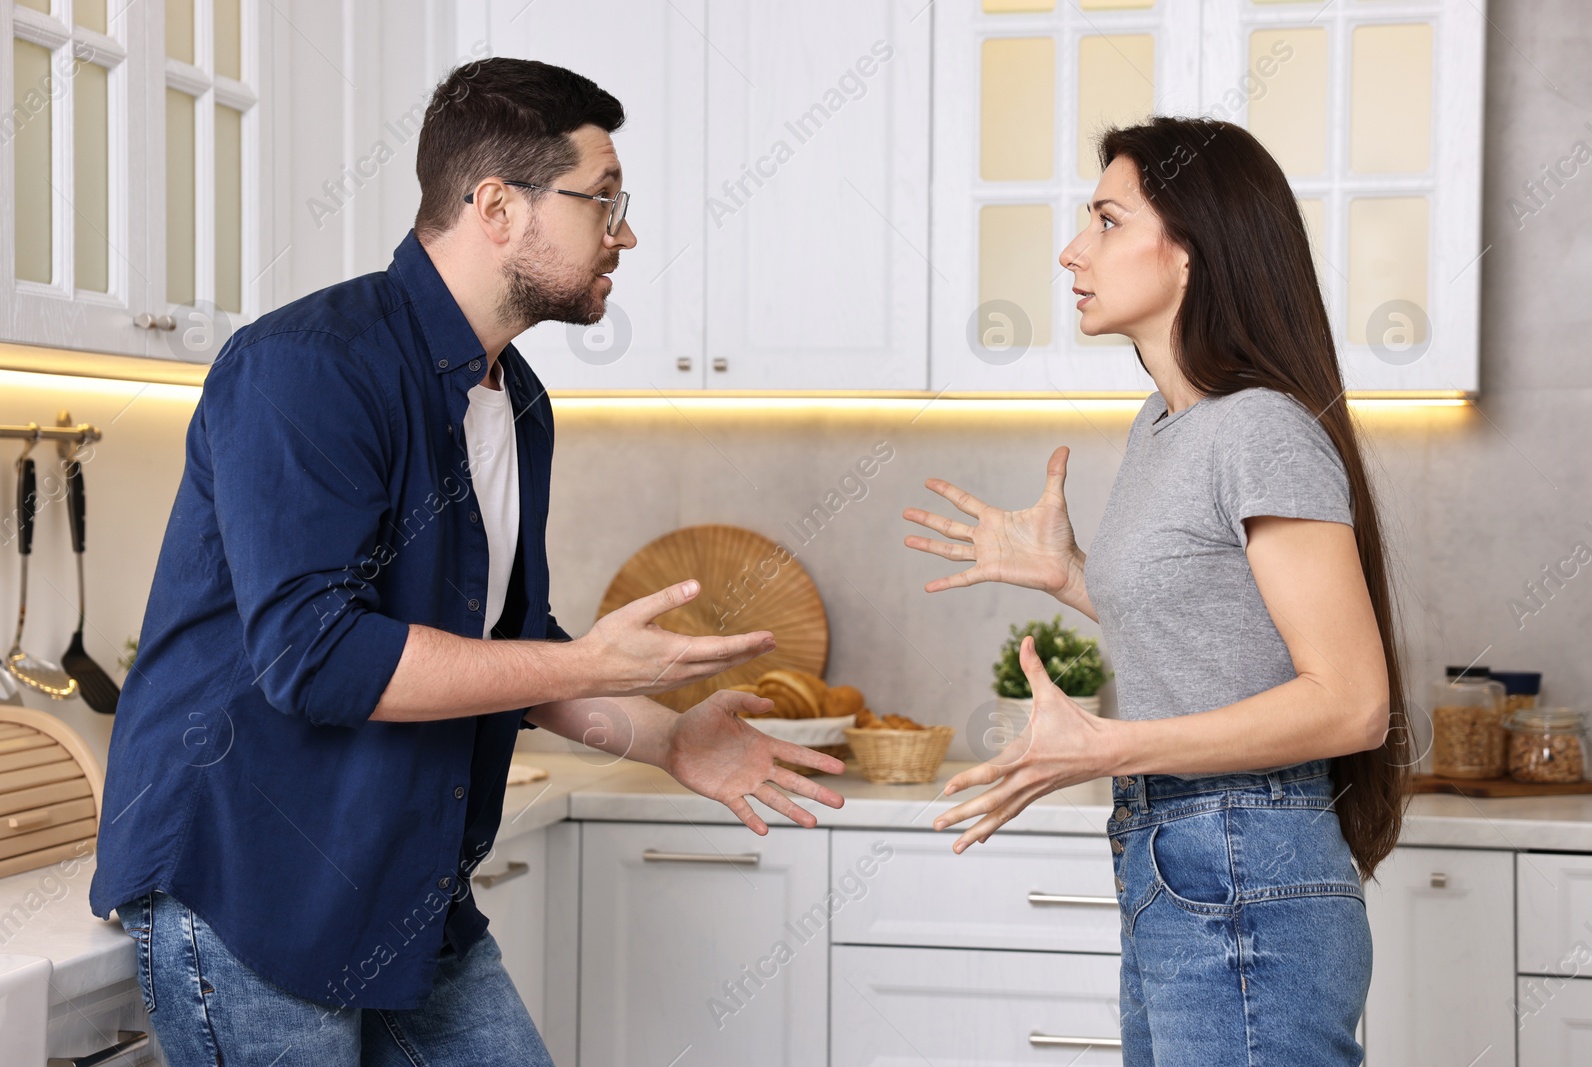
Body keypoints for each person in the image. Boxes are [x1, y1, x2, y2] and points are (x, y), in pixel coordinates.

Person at [89, 58, 844, 1067]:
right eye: (603, 199)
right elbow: (316, 658)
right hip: (253, 883)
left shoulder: (515, 400)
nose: (624, 231)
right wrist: (589, 667)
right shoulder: (309, 365)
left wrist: (668, 739)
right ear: (496, 204)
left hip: (401, 886)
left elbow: (509, 649)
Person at [905, 117, 1409, 1067]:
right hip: (1177, 854)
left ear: (1191, 249)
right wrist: (1067, 574)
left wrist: (1113, 744)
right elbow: (1225, 635)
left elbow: (1352, 703)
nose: (1072, 249)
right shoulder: (1167, 423)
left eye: (1104, 220)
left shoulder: (1258, 428)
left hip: (1243, 856)